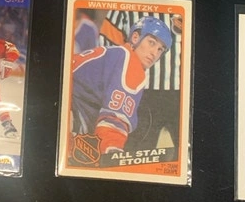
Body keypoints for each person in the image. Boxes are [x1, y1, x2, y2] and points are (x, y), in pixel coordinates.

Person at [70, 16, 173, 162]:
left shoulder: (117, 53)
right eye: (151, 42)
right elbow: (114, 118)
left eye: (160, 49)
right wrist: (111, 150)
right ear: (135, 38)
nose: (154, 53)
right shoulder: (129, 61)